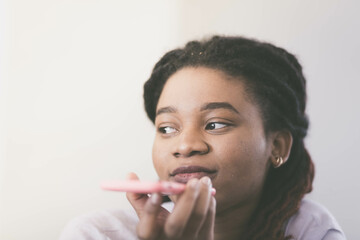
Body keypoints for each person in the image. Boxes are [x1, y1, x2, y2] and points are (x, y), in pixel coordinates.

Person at [60, 36, 346, 240]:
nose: (184, 146)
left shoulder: (312, 231)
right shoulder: (95, 234)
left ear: (276, 146)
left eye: (216, 124)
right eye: (167, 128)